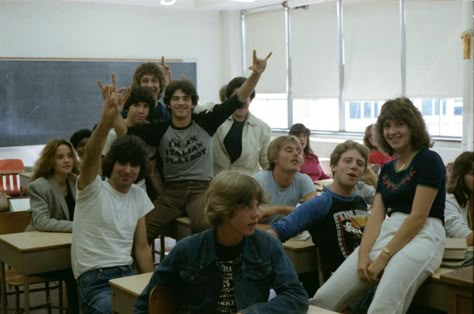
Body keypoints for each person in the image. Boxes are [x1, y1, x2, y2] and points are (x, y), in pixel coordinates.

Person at [122, 50, 272, 244]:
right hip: (172, 192)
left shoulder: (206, 122)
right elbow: (126, 131)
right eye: (175, 99)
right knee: (142, 229)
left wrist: (256, 74)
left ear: (193, 103)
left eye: (186, 99)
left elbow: (237, 99)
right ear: (168, 104)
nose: (181, 103)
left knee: (207, 226)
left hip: (202, 189)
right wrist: (113, 111)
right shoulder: (159, 129)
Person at [312, 97, 446, 314]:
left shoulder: (428, 159)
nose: (392, 131)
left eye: (399, 124)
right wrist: (363, 254)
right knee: (322, 299)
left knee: (382, 308)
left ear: (413, 126)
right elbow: (376, 216)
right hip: (389, 229)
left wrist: (383, 257)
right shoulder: (388, 168)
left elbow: (418, 217)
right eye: (387, 126)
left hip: (423, 232)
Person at [134, 171, 309, 314]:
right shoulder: (188, 250)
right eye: (248, 207)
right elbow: (144, 304)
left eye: (257, 206)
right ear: (223, 209)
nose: (257, 214)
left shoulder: (266, 245)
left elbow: (296, 296)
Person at [71, 74, 154, 313]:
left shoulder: (138, 196)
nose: (128, 170)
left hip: (127, 274)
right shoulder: (92, 189)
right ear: (111, 164)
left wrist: (151, 285)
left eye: (134, 165)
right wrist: (107, 118)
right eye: (121, 163)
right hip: (94, 280)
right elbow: (91, 155)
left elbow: (141, 247)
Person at [268, 140, 369, 280]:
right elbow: (278, 231)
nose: (353, 166)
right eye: (347, 161)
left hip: (367, 270)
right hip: (343, 280)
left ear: (363, 173)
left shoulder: (360, 202)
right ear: (333, 166)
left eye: (359, 164)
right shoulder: (322, 203)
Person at [212, 76, 271, 175]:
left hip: (247, 186)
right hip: (218, 184)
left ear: (251, 98)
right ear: (228, 99)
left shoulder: (262, 128)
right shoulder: (215, 119)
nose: (241, 101)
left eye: (245, 96)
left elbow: (266, 162)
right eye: (237, 97)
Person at [255, 135, 317, 224]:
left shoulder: (304, 180)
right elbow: (243, 222)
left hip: (286, 232)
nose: (296, 154)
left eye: (299, 151)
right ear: (274, 157)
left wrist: (278, 209)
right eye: (289, 150)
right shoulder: (257, 181)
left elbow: (313, 212)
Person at [27, 138, 79, 232]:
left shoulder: (77, 182)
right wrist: (79, 226)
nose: (67, 160)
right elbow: (42, 222)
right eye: (60, 157)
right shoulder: (38, 187)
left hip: (70, 238)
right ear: (50, 161)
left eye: (70, 156)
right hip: (41, 240)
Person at [445, 151, 473, 246]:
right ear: (460, 175)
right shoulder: (448, 201)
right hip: (452, 257)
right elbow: (464, 237)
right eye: (473, 173)